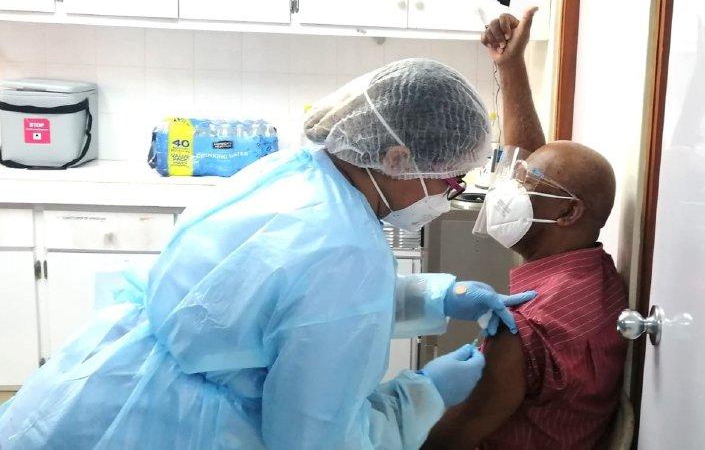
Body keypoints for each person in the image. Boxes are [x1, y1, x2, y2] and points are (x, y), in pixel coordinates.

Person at [0, 58, 536, 450]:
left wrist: (439, 297)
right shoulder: (346, 251)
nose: (447, 195)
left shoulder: (295, 172)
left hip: (100, 387)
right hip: (172, 428)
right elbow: (314, 438)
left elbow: (280, 304)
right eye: (447, 179)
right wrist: (421, 396)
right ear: (396, 158)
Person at [423, 10, 628, 449]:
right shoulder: (593, 274)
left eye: (525, 183)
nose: (508, 190)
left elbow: (446, 442)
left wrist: (399, 413)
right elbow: (538, 165)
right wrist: (510, 66)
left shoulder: (523, 329)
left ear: (568, 213)